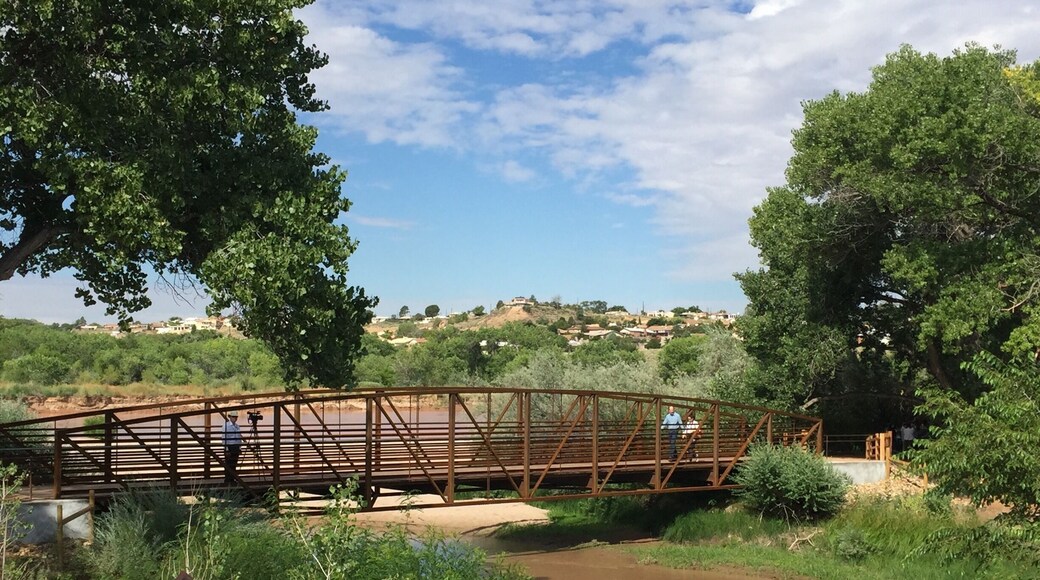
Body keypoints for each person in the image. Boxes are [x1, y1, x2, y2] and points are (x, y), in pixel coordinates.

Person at [223, 410, 243, 484]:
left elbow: (239, 438)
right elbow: (224, 438)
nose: (235, 418)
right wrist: (226, 449)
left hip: (236, 447)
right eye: (233, 417)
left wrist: (239, 447)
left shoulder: (237, 426)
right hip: (230, 446)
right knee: (229, 464)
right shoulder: (226, 426)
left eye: (236, 417)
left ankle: (232, 479)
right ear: (230, 417)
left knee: (234, 464)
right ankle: (227, 479)